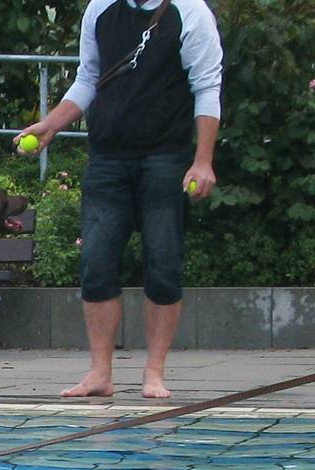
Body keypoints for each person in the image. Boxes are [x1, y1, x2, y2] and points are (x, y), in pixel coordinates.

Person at [17, 0, 222, 402]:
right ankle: (99, 373)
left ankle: (154, 372)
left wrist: (203, 161)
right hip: (108, 157)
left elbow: (207, 86)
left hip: (166, 157)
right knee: (96, 262)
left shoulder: (190, 12)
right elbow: (89, 78)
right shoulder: (100, 9)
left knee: (164, 262)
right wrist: (51, 126)